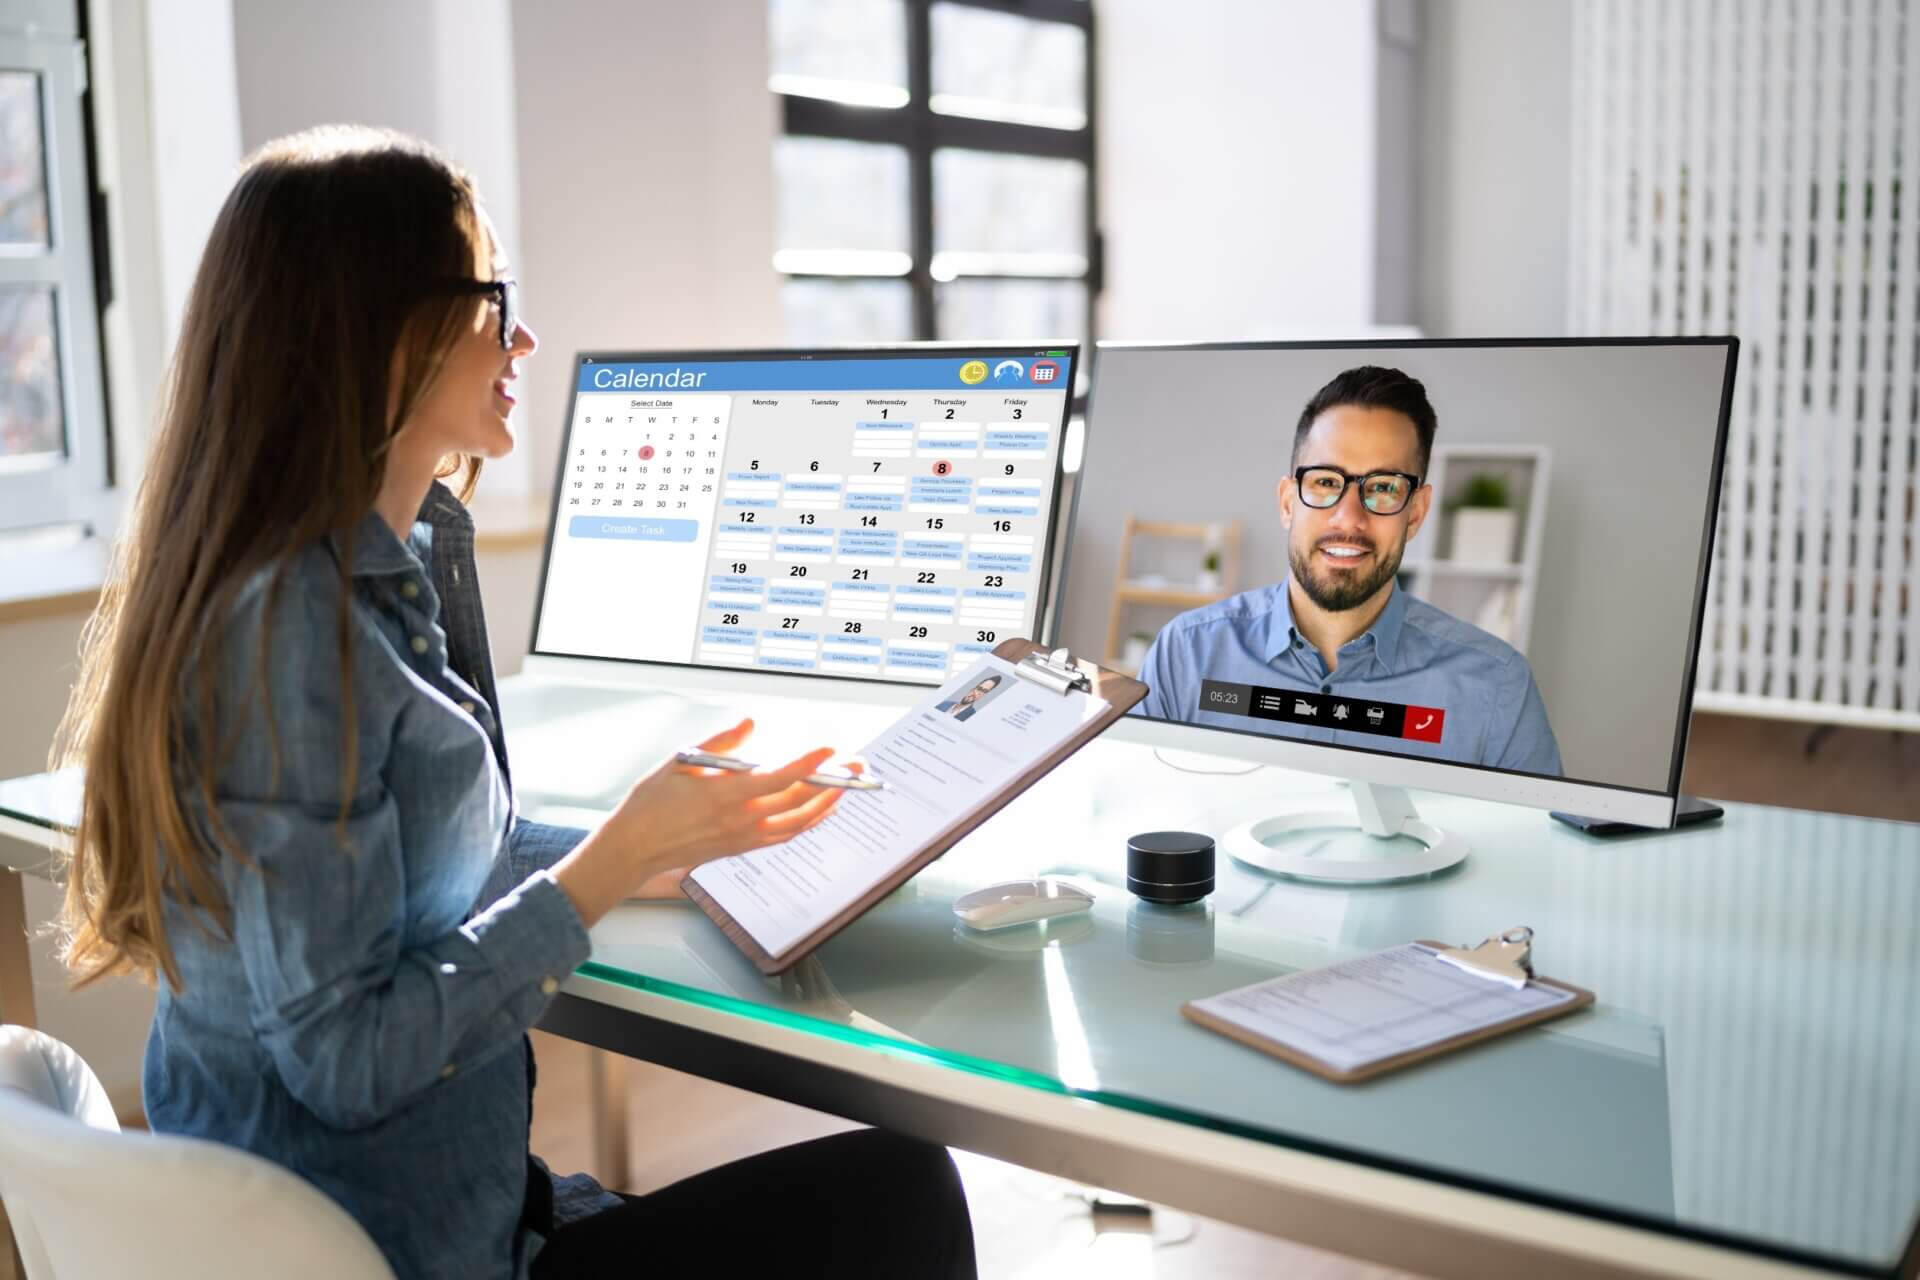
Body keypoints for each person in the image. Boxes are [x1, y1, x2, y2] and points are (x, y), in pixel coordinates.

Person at [53, 127, 976, 1280]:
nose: (523, 336)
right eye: (493, 297)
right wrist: (613, 858)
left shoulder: (354, 577)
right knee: (902, 1189)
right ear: (383, 329)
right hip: (403, 1251)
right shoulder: (292, 626)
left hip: (452, 1212)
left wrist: (692, 845)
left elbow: (432, 866)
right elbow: (345, 1054)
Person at [1135, 366, 1561, 775]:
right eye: (1325, 482)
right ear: (1288, 502)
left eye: (1383, 487)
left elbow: (1539, 848)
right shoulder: (1187, 656)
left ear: (1415, 513)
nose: (1349, 519)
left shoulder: (1497, 687)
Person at [935, 674, 1004, 722]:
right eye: (979, 688)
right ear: (972, 688)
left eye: (983, 691)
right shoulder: (945, 703)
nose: (975, 693)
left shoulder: (972, 716)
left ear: (983, 696)